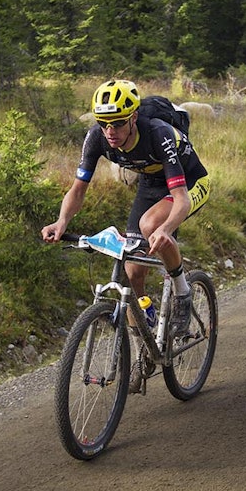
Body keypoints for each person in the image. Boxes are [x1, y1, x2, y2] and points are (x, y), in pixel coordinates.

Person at [41, 79, 210, 340]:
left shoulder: (158, 133)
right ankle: (144, 337)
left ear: (133, 118)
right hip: (151, 184)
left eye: (118, 123)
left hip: (189, 182)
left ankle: (182, 293)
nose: (110, 131)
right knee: (132, 272)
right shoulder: (96, 137)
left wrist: (166, 228)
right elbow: (78, 190)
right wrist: (61, 221)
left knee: (150, 225)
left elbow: (181, 199)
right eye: (103, 123)